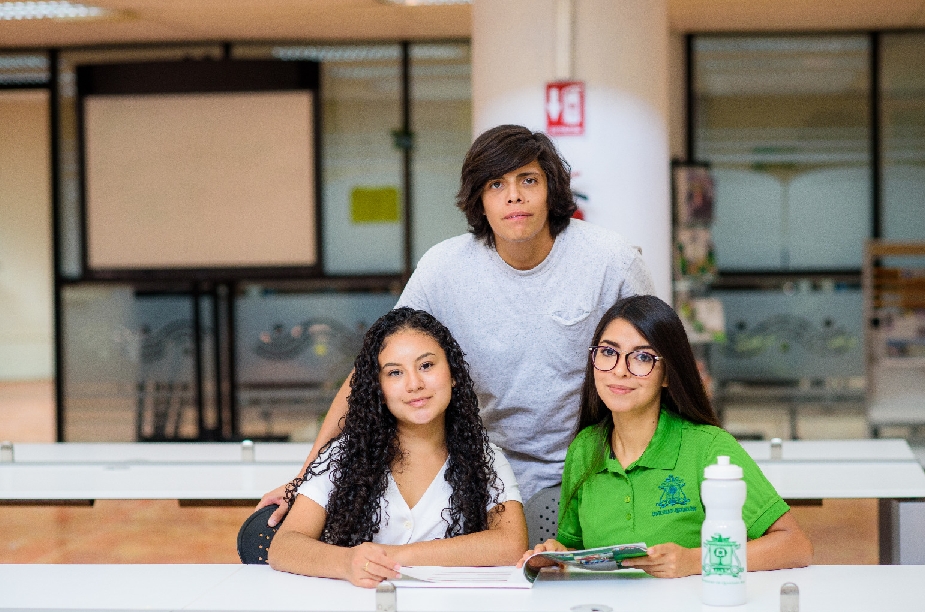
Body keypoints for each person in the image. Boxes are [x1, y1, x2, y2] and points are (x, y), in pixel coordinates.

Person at [259, 123, 655, 525]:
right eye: (496, 184)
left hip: (597, 465)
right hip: (485, 471)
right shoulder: (445, 269)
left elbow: (658, 365)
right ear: (479, 199)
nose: (514, 195)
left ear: (551, 189)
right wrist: (304, 479)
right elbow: (371, 371)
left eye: (528, 180)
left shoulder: (611, 260)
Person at [519, 295, 813, 578]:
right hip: (608, 611)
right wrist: (557, 554)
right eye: (608, 352)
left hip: (691, 611)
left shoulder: (709, 447)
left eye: (642, 357)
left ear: (668, 375)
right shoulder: (584, 448)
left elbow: (795, 545)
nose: (620, 370)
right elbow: (578, 550)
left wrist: (695, 561)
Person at [269, 308, 526, 587]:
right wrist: (347, 562)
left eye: (426, 365)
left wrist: (389, 557)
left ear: (453, 373)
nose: (414, 384)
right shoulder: (343, 455)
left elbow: (510, 544)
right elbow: (284, 546)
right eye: (394, 372)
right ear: (378, 389)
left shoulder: (486, 458)